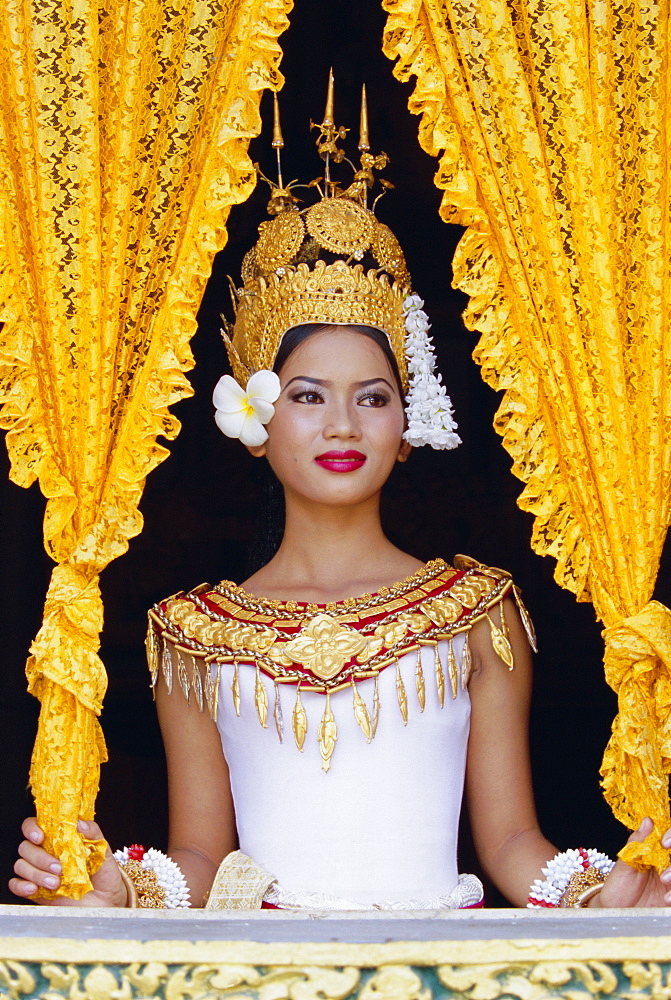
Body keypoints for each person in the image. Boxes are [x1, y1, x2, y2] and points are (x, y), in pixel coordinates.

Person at [9, 113, 671, 911]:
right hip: (259, 971)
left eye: (373, 398)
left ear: (405, 430)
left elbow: (507, 843)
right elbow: (201, 851)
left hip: (440, 964)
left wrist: (609, 894)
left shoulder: (475, 612)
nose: (342, 425)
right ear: (257, 426)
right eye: (307, 396)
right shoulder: (191, 630)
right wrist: (116, 883)